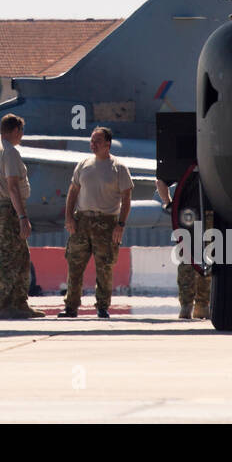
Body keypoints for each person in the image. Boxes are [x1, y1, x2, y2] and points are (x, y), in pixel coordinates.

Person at [59, 127, 132, 319]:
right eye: (92, 141)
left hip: (106, 223)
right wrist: (68, 217)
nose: (93, 145)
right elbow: (73, 192)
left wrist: (120, 225)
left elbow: (127, 199)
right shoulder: (83, 164)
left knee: (104, 267)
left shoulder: (119, 168)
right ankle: (71, 307)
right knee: (74, 265)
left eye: (97, 141)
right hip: (82, 221)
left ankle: (102, 306)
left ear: (108, 144)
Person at [0, 113, 43, 319]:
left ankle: (19, 303)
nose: (22, 135)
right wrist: (22, 217)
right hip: (9, 208)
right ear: (16, 130)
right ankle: (4, 304)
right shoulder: (9, 152)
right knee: (8, 257)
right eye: (21, 131)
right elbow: (13, 186)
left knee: (20, 256)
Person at [157, 170, 211, 320]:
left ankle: (189, 306)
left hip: (188, 216)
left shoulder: (185, 166)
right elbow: (161, 181)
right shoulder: (212, 163)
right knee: (207, 260)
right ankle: (201, 305)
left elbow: (161, 182)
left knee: (190, 261)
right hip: (207, 216)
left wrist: (169, 203)